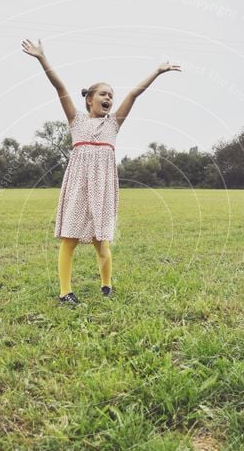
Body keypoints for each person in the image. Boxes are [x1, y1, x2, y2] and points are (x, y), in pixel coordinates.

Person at [22, 38, 181, 304]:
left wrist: (157, 71)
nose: (108, 98)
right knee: (69, 240)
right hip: (77, 186)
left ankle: (106, 285)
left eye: (110, 95)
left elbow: (133, 94)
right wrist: (41, 58)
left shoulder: (113, 125)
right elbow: (59, 86)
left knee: (101, 241)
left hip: (103, 188)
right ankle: (65, 292)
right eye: (103, 94)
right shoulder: (76, 121)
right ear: (89, 100)